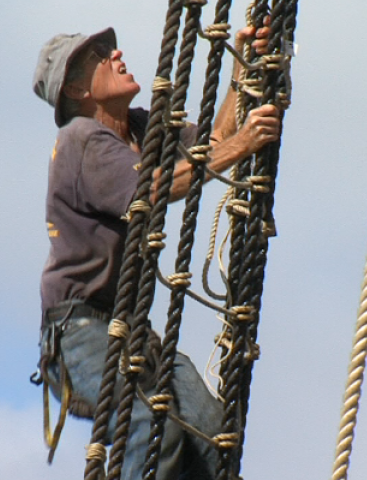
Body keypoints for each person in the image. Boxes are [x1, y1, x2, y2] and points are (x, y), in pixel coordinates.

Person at [32, 24, 279, 480]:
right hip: (80, 330)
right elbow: (156, 188)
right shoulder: (81, 140)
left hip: (130, 330)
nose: (116, 54)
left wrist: (239, 68)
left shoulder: (142, 128)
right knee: (148, 427)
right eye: (99, 55)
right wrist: (244, 143)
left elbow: (213, 143)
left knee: (211, 433)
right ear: (76, 88)